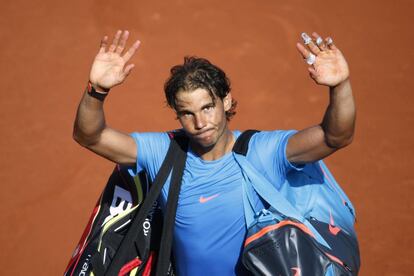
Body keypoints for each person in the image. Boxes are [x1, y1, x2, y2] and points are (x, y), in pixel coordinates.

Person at [73, 29, 355, 275]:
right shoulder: (165, 153)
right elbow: (91, 135)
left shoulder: (264, 152)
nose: (200, 123)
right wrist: (96, 90)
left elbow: (335, 136)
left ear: (226, 100)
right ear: (177, 115)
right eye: (187, 113)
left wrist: (340, 86)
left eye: (207, 107)